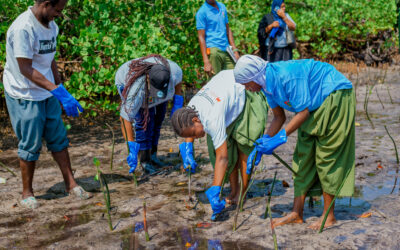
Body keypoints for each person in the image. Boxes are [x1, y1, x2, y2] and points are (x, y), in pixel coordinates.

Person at [233, 55, 355, 230]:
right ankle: (297, 213)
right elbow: (278, 116)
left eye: (246, 84)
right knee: (303, 157)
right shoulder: (267, 86)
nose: (247, 88)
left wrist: (280, 138)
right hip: (313, 104)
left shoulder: (286, 76)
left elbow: (303, 113)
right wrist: (264, 141)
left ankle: (329, 216)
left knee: (327, 157)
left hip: (334, 95)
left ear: (255, 77)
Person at [3, 0, 92, 209]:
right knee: (30, 143)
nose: (59, 15)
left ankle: (71, 184)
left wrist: (60, 88)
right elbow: (25, 68)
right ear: (45, 4)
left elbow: (49, 57)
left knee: (58, 137)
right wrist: (55, 89)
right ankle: (27, 194)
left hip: (47, 91)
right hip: (23, 93)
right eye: (58, 10)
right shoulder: (23, 28)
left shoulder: (52, 25)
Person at [171, 70, 268, 220]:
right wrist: (188, 149)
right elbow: (188, 130)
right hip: (224, 97)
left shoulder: (212, 119)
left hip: (242, 91)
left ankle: (241, 193)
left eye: (194, 134)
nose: (195, 138)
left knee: (243, 147)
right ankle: (233, 190)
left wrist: (215, 189)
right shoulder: (190, 110)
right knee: (229, 149)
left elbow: (222, 158)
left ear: (196, 120)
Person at [115, 55, 183, 175]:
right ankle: (145, 161)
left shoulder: (174, 71)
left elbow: (178, 84)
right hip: (128, 81)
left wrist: (177, 104)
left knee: (159, 119)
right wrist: (131, 146)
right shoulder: (136, 89)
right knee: (145, 122)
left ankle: (153, 156)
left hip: (159, 84)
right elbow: (125, 118)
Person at [196, 0, 240, 76]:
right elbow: (201, 37)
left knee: (232, 78)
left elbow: (228, 29)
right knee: (214, 81)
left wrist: (235, 50)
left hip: (226, 49)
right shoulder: (202, 12)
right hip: (213, 51)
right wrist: (206, 61)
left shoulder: (222, 6)